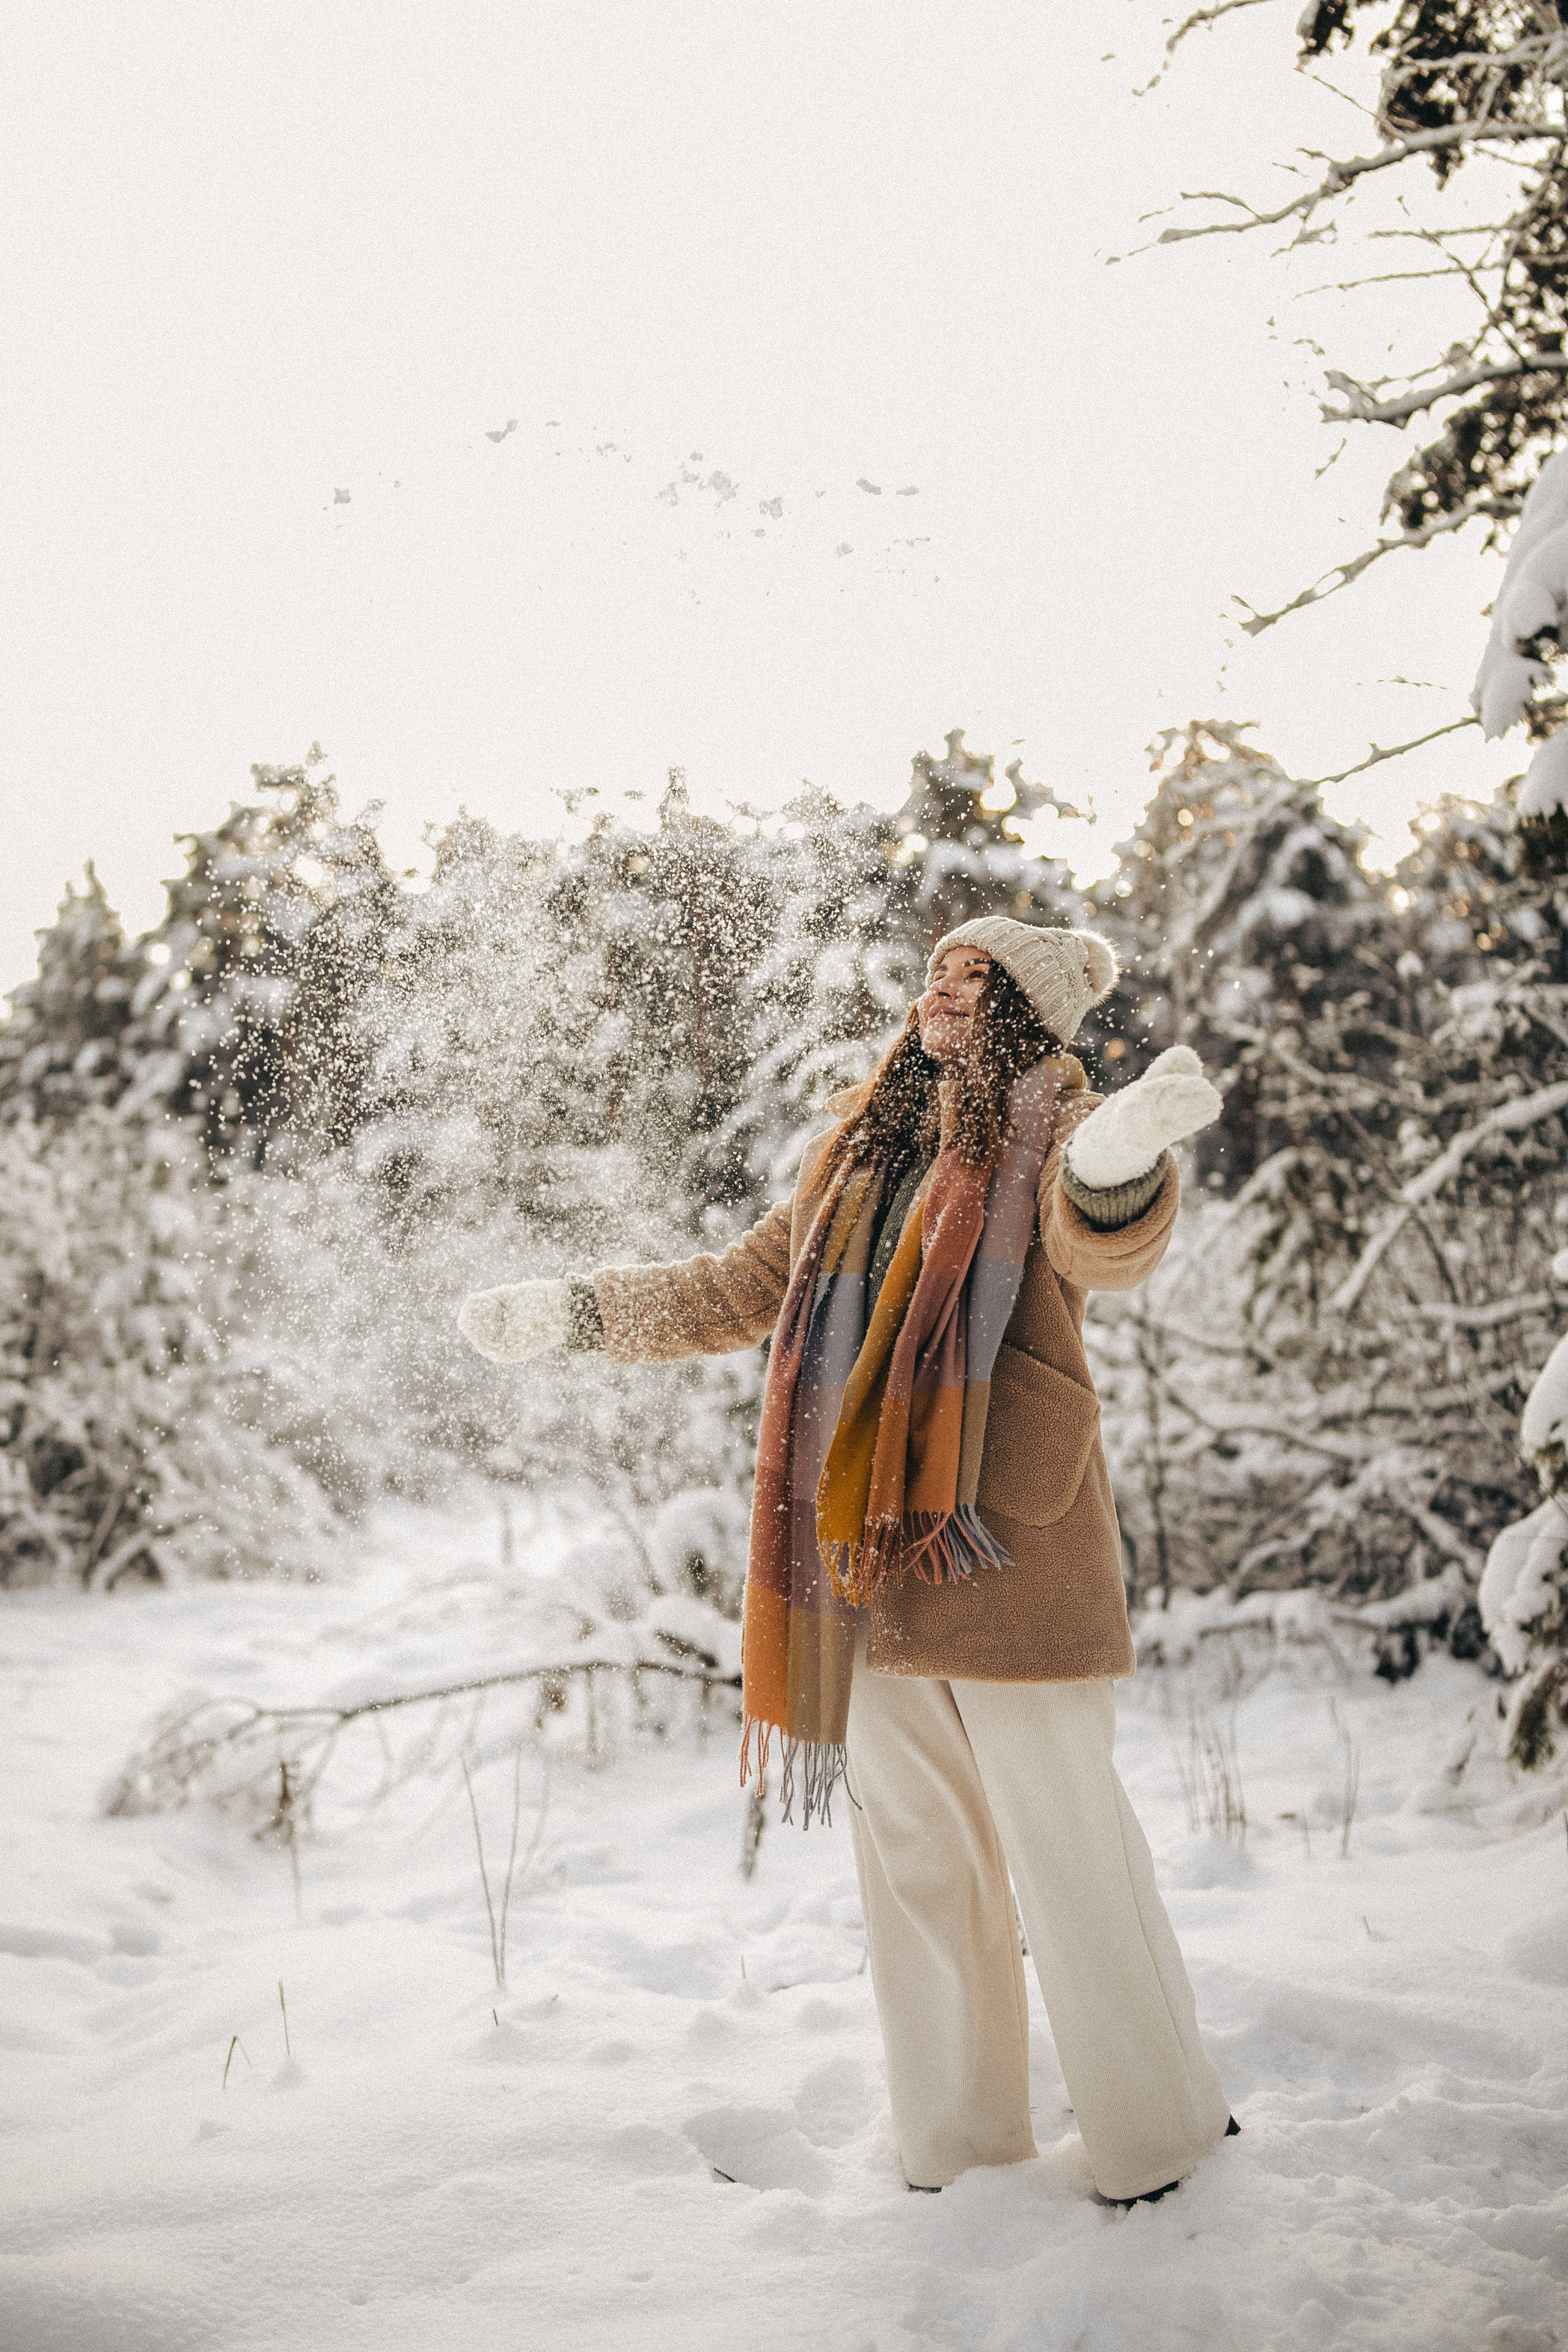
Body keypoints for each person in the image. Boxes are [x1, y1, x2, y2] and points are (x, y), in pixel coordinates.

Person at [457, 918, 1235, 2206]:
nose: (941, 990)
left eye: (972, 978)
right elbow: (736, 1287)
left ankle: (1157, 2142)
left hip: (1008, 1550)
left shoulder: (1061, 1126)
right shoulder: (860, 1148)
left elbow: (1101, 1242)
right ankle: (957, 2148)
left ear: (1026, 1015)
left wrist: (1114, 1165)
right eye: (934, 971)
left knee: (1070, 1852)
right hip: (860, 1555)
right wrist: (580, 1311)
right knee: (919, 1861)